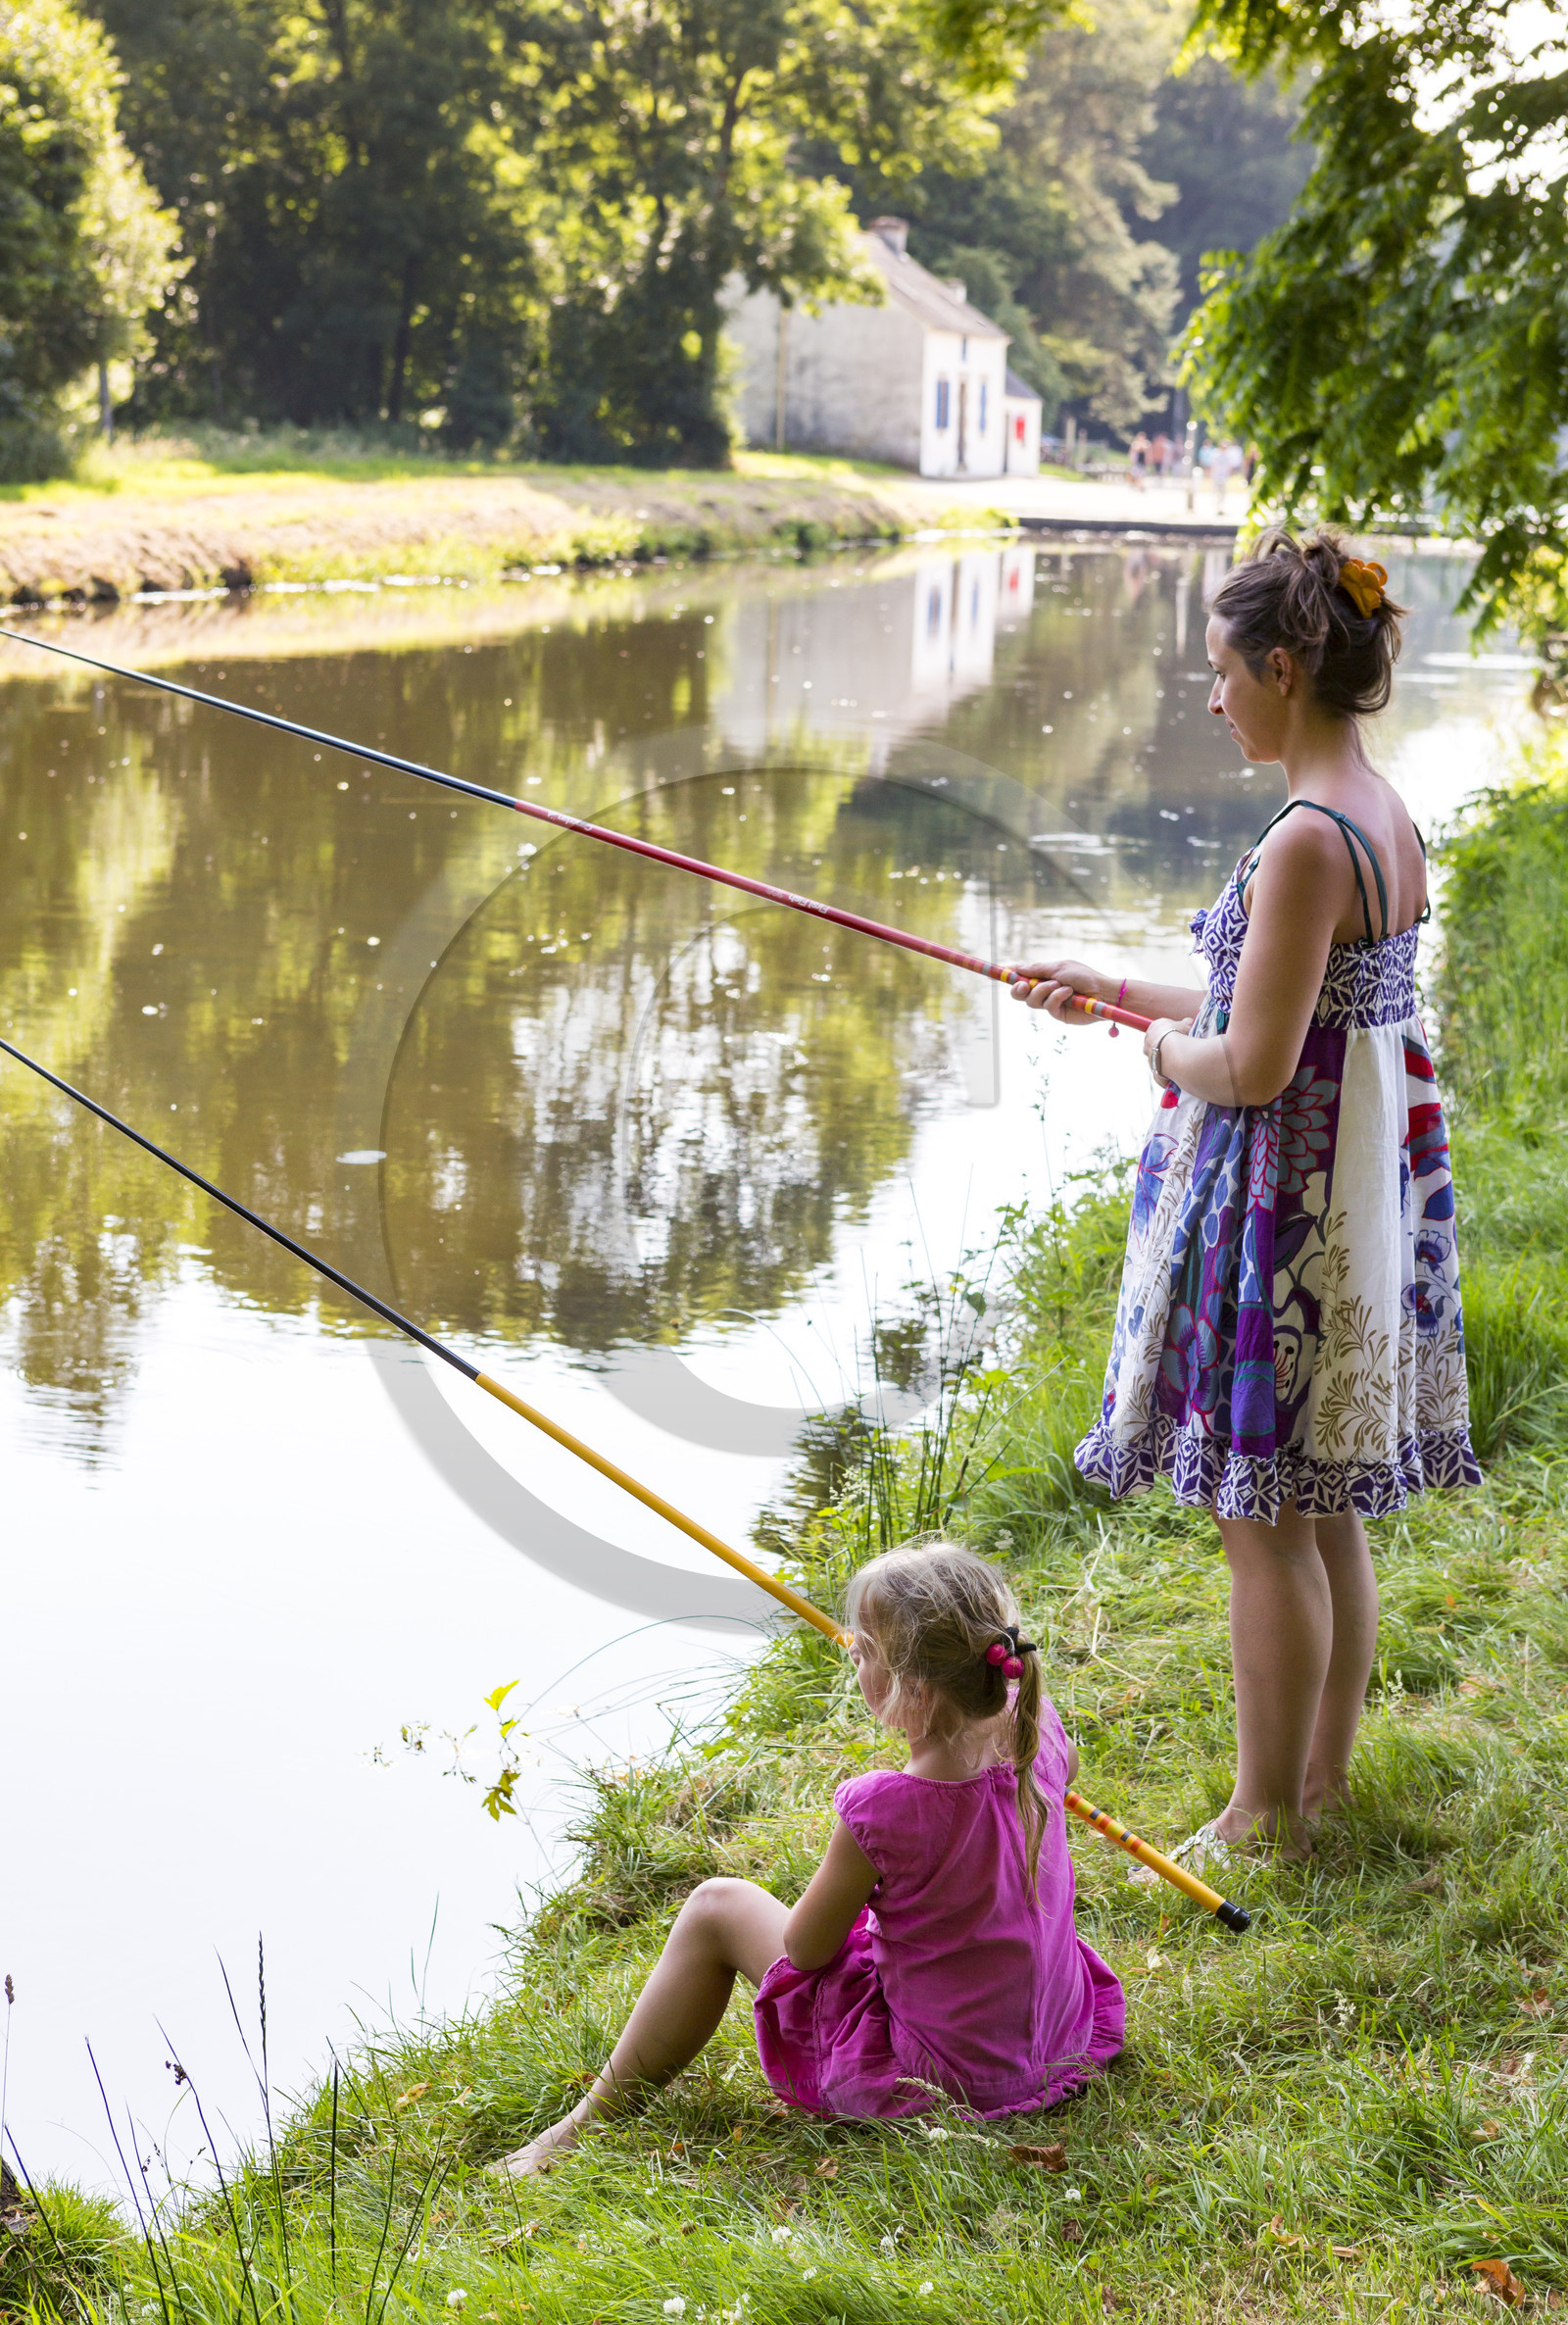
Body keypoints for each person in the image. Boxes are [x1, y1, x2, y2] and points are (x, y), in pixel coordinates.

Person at [1009, 527, 1479, 1864]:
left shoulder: (1302, 843)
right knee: (1318, 1506)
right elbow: (1281, 1000)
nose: (1211, 699)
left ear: (1283, 665)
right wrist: (1107, 991)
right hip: (1352, 1197)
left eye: (1222, 672)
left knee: (1262, 1519)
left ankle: (1267, 1810)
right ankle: (1318, 1788)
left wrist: (1155, 1051)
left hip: (1289, 1215)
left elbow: (1250, 1060)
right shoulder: (1377, 812)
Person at [496, 1542, 1123, 2173]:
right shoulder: (1038, 1726)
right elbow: (1050, 1779)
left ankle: (583, 2124)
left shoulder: (882, 1807)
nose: (853, 1654)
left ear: (914, 1690)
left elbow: (805, 1952)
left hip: (948, 2080)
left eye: (866, 1651)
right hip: (1056, 2041)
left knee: (716, 1906)